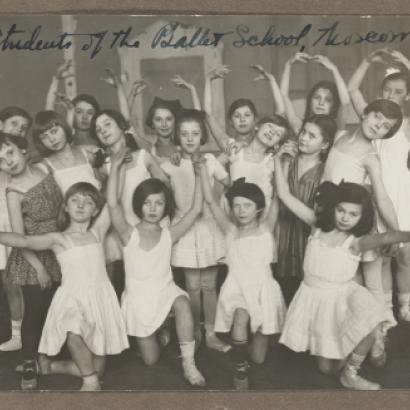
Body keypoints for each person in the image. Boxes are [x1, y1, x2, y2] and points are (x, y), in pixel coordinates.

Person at [279, 181, 410, 390]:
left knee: (371, 320)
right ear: (333, 208)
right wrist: (280, 161)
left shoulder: (356, 242)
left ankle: (352, 371)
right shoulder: (316, 227)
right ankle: (346, 346)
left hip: (340, 296)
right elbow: (285, 195)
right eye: (341, 210)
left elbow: (388, 236)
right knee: (327, 369)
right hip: (314, 299)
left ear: (362, 217)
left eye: (352, 214)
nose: (344, 218)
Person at [0, 182, 129, 391]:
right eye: (75, 200)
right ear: (66, 207)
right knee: (72, 329)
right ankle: (90, 382)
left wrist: (117, 166)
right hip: (72, 299)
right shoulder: (59, 239)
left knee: (98, 367)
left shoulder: (97, 232)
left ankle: (51, 366)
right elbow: (22, 240)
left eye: (88, 202)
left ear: (95, 210)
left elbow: (113, 199)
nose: (80, 205)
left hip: (98, 299)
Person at [107, 146, 206, 386]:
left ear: (165, 206)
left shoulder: (168, 234)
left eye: (159, 203)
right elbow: (112, 205)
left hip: (165, 291)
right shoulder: (127, 234)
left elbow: (195, 210)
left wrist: (200, 173)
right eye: (147, 203)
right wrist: (116, 169)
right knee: (151, 360)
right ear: (138, 205)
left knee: (183, 302)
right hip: (139, 300)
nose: (152, 209)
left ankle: (189, 364)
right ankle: (163, 332)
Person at [200, 167, 286, 390]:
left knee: (258, 357)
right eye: (236, 205)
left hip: (262, 289)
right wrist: (201, 169)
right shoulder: (230, 230)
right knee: (240, 316)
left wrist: (282, 164)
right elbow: (210, 200)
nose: (241, 210)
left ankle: (246, 349)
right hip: (237, 288)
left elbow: (278, 196)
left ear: (259, 208)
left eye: (247, 205)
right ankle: (239, 367)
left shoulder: (267, 227)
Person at [348, 48, 410, 323]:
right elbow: (352, 90)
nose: (391, 96)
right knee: (380, 255)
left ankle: (405, 304)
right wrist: (366, 62)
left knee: (404, 254)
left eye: (398, 91)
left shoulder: (406, 124)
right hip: (375, 190)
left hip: (401, 191)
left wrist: (406, 65)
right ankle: (385, 312)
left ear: (407, 95)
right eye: (387, 90)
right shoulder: (374, 117)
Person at [161, 109, 231, 352]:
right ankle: (193, 331)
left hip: (210, 227)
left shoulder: (211, 161)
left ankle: (210, 332)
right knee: (192, 286)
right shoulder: (170, 165)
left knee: (210, 286)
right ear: (177, 137)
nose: (190, 139)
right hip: (186, 229)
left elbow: (231, 183)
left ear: (202, 136)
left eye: (195, 133)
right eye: (184, 134)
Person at [0, 132, 62, 389]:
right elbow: (18, 236)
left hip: (59, 247)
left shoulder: (45, 168)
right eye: (1, 160)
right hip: (33, 257)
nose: (8, 161)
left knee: (56, 307)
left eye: (10, 152)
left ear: (22, 149)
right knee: (35, 311)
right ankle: (28, 362)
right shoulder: (13, 191)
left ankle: (49, 355)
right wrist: (39, 269)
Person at [274, 115, 337, 304]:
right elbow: (276, 195)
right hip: (281, 231)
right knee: (279, 291)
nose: (303, 138)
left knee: (304, 293)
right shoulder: (288, 159)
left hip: (305, 237)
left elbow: (315, 218)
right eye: (303, 132)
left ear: (325, 145)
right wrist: (283, 162)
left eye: (312, 136)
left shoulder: (325, 172)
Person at [0, 107, 32, 353]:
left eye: (23, 127)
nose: (18, 129)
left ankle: (18, 335)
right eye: (13, 124)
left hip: (10, 227)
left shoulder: (20, 158)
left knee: (11, 282)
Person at [31, 110, 100, 195]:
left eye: (54, 131)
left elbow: (102, 188)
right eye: (44, 137)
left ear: (64, 127)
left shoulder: (88, 155)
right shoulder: (45, 167)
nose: (52, 139)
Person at [280, 52, 350, 134]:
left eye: (328, 100)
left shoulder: (336, 127)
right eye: (317, 97)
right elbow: (283, 96)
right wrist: (288, 65)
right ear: (310, 101)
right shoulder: (300, 127)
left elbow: (345, 103)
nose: (321, 103)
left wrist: (334, 69)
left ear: (334, 106)